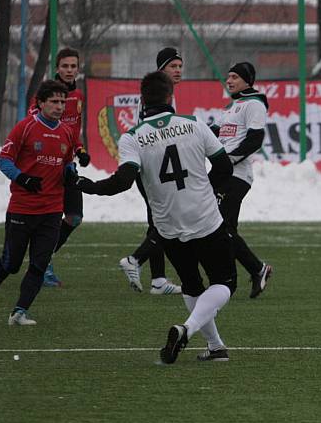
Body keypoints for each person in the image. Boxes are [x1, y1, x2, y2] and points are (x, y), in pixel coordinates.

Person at [78, 71, 236, 364]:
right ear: (169, 97)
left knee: (191, 284)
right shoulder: (193, 123)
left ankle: (216, 347)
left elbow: (123, 181)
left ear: (142, 100)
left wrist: (88, 186)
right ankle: (187, 329)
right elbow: (225, 168)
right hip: (204, 218)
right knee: (225, 282)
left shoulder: (132, 137)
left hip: (167, 225)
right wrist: (206, 191)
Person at [0, 80, 78, 326]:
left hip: (52, 210)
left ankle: (19, 311)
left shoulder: (66, 132)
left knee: (40, 264)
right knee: (11, 264)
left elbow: (67, 162)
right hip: (22, 208)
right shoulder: (25, 127)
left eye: (62, 102)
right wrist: (23, 178)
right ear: (41, 103)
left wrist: (70, 171)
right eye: (54, 101)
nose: (59, 106)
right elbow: (4, 160)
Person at [117, 47, 184, 296]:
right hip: (149, 167)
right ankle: (134, 260)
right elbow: (151, 134)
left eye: (179, 66)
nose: (178, 70)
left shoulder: (165, 94)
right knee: (165, 220)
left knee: (158, 220)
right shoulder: (155, 97)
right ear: (161, 70)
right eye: (173, 66)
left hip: (153, 167)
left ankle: (158, 280)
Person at [211, 61, 273, 299]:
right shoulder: (231, 107)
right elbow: (211, 133)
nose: (229, 81)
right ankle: (245, 275)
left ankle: (246, 273)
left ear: (248, 80)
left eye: (235, 77)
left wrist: (229, 160)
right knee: (223, 229)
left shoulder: (254, 104)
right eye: (228, 77)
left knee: (220, 227)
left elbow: (255, 139)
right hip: (220, 172)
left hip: (236, 175)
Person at [35, 47, 91, 287]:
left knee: (74, 216)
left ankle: (42, 257)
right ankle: (43, 265)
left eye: (73, 66)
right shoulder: (46, 93)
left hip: (67, 165)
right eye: (65, 66)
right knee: (49, 217)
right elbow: (34, 124)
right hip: (47, 166)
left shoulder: (78, 94)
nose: (69, 70)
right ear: (57, 68)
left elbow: (72, 130)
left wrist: (80, 149)